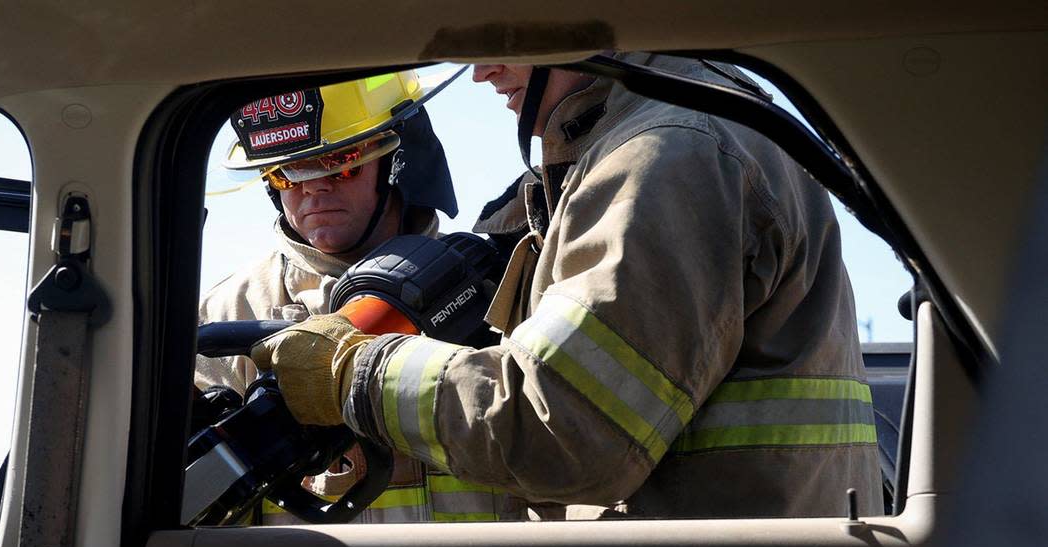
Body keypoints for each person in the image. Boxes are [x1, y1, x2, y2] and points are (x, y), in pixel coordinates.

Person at [252, 54, 882, 519]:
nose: (482, 71)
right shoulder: (669, 139)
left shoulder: (668, 157)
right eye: (289, 176)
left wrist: (352, 373)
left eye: (510, 31)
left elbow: (565, 429)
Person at [196, 70, 526, 523]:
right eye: (284, 173)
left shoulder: (504, 288)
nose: (312, 186)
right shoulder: (230, 313)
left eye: (342, 159)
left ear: (397, 161)